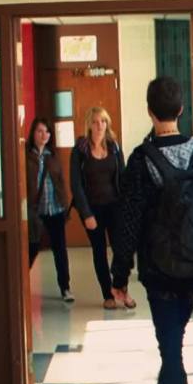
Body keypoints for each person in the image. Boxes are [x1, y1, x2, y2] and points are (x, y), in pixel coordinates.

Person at [111, 76, 193, 384]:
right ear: (181, 109)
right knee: (172, 342)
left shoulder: (141, 160)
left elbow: (128, 223)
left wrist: (119, 276)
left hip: (159, 272)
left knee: (171, 348)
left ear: (149, 112)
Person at [70, 106, 134, 310]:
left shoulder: (114, 146)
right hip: (92, 210)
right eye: (95, 122)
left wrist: (128, 206)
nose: (100, 126)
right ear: (89, 125)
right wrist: (86, 213)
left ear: (108, 124)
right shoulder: (80, 150)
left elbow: (123, 177)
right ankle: (108, 294)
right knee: (99, 252)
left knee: (121, 250)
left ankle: (121, 289)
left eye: (103, 121)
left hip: (115, 207)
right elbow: (76, 185)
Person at [26, 117, 73, 302]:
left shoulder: (52, 155)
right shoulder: (26, 156)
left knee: (60, 250)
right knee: (31, 248)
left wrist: (65, 205)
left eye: (47, 131)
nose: (43, 135)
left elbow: (60, 181)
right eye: (40, 131)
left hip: (55, 209)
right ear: (33, 133)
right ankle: (21, 284)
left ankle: (65, 287)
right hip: (36, 211)